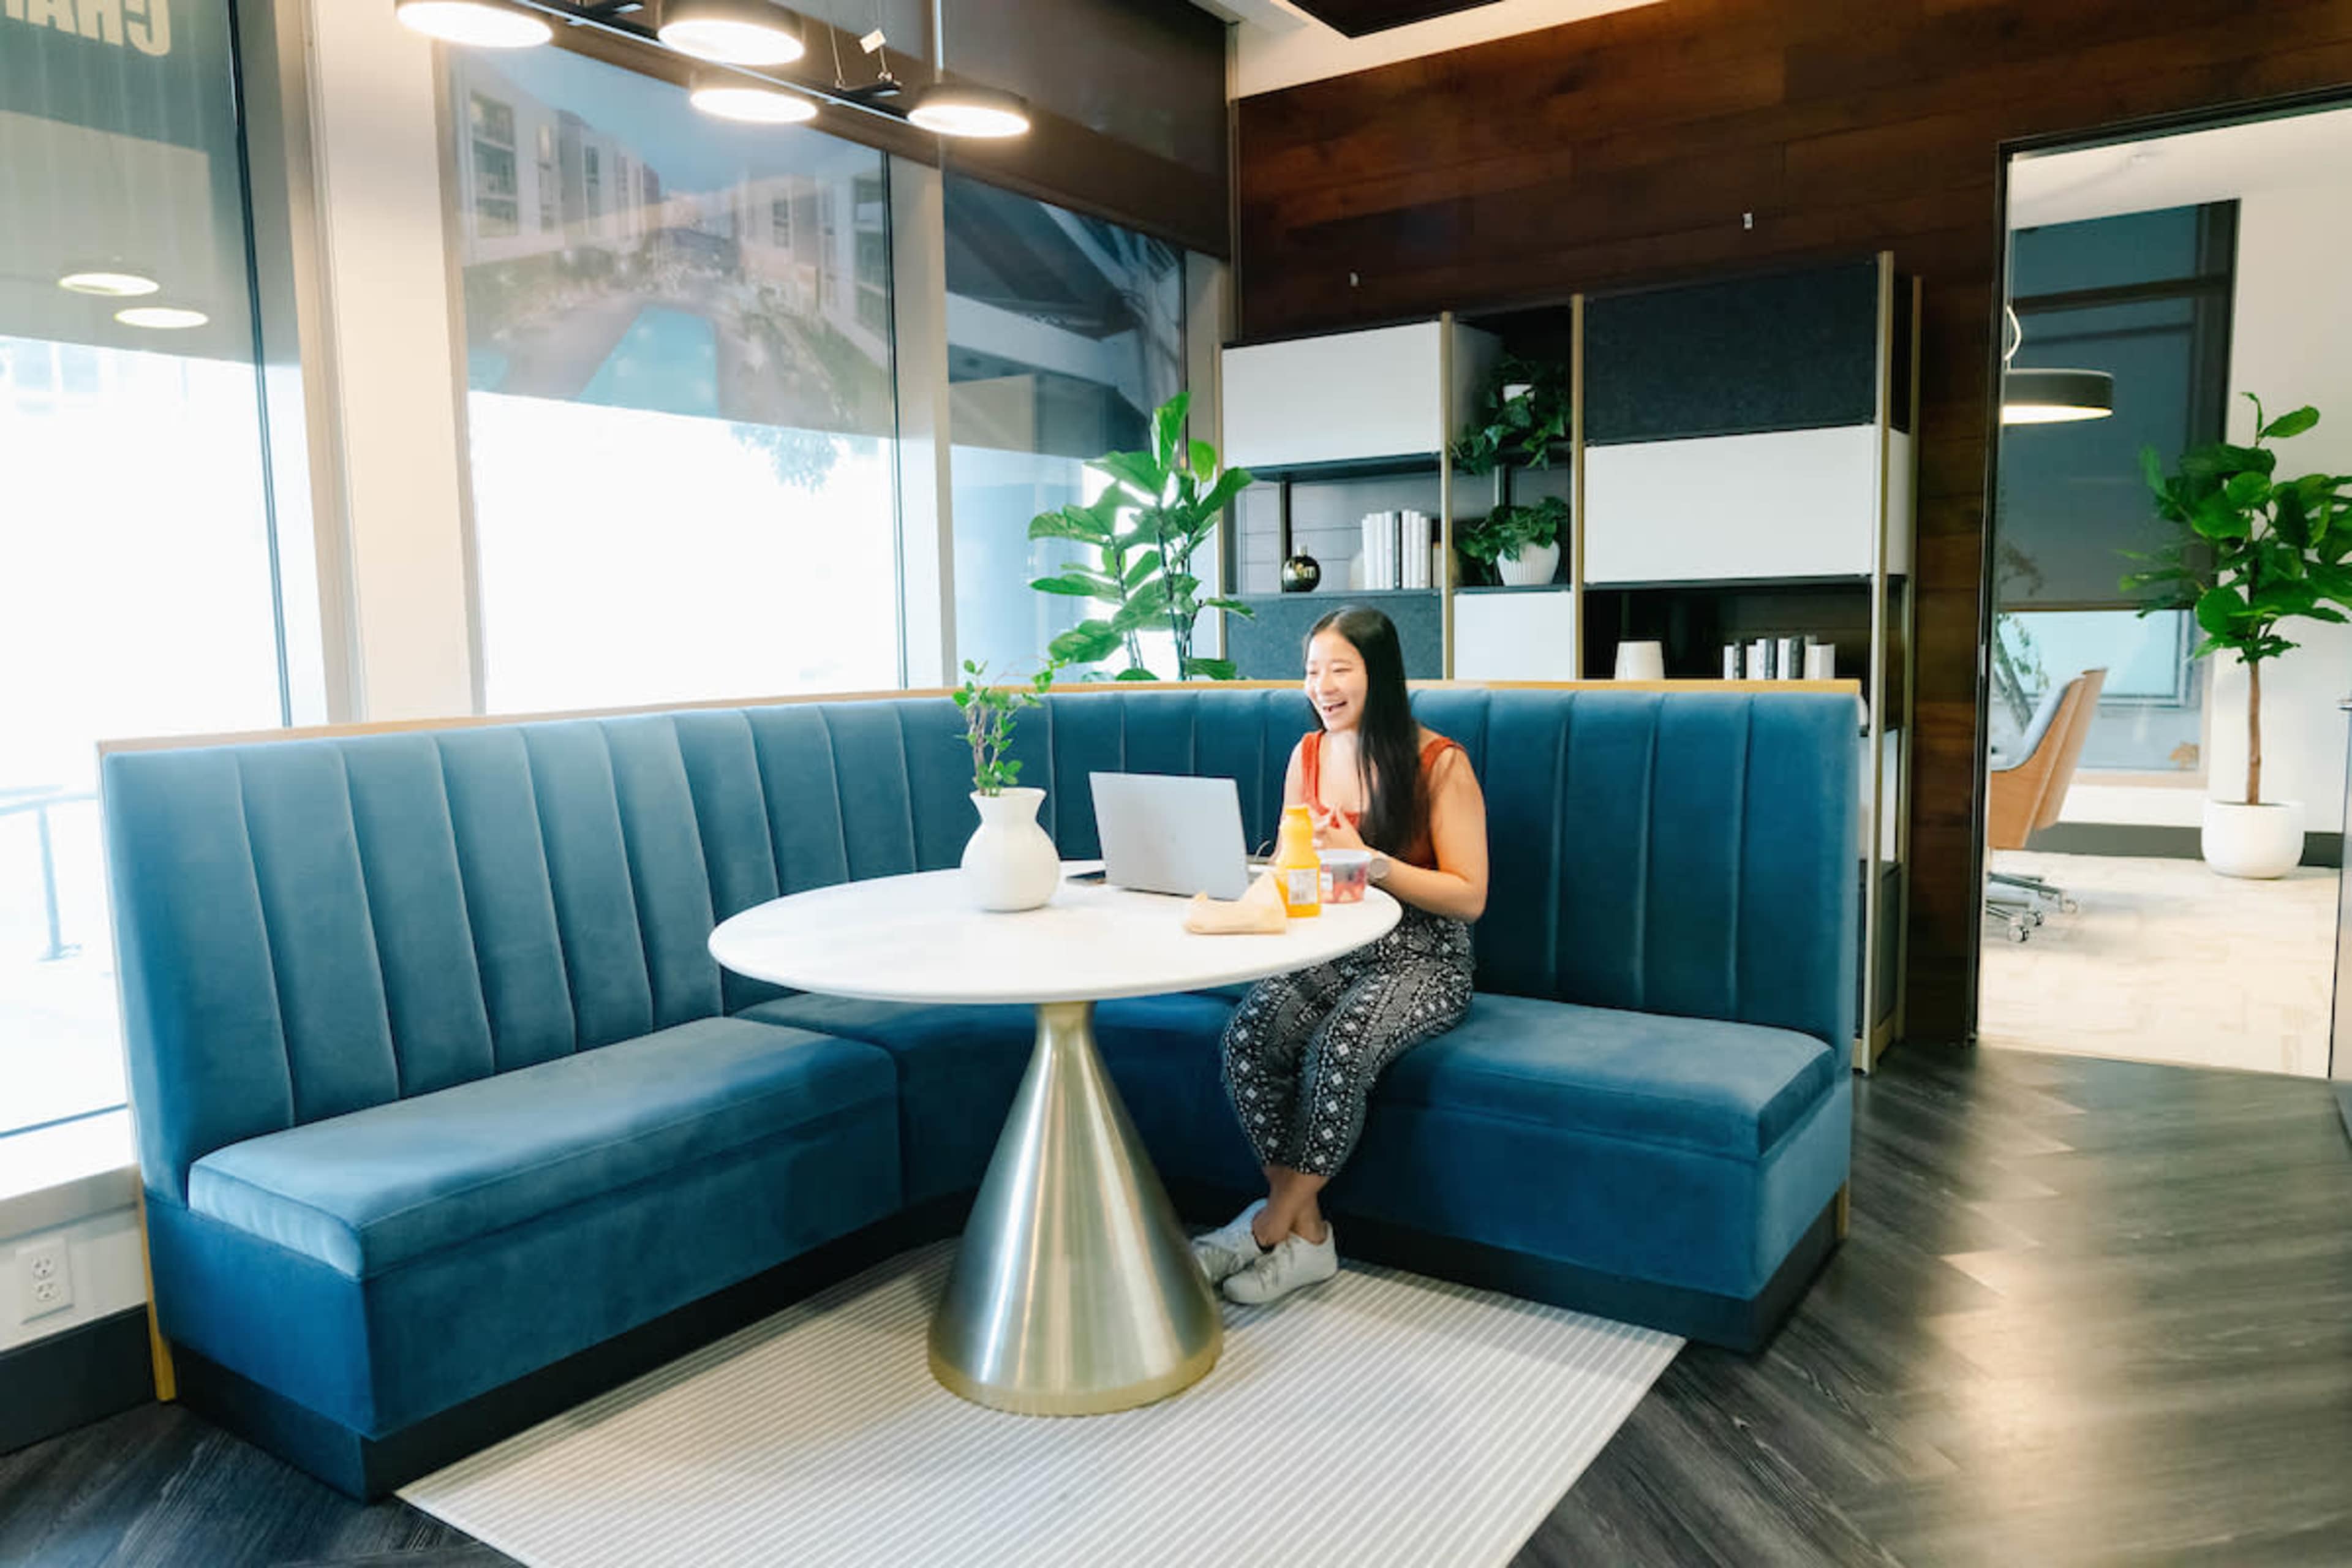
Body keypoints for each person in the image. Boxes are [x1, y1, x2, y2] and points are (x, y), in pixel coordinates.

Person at [1194, 605, 1489, 1305]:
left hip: (1425, 955)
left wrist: (1374, 861)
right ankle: (1311, 1236)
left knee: (1338, 1048)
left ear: (1378, 675)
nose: (1321, 686)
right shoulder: (1309, 755)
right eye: (1311, 672)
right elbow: (1295, 872)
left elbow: (1470, 895)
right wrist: (1237, 901)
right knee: (1248, 1036)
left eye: (1339, 670)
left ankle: (1266, 1227)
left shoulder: (1439, 763)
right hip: (1332, 942)